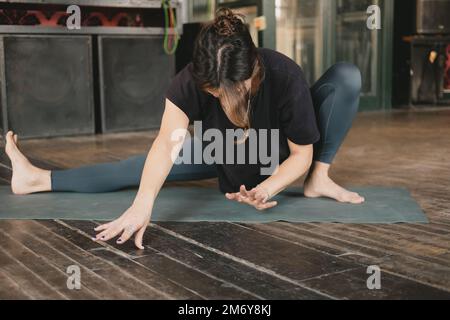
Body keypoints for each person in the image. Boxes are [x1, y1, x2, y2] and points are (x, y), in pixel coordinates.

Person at [4, 8, 364, 249]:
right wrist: (143, 205)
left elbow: (302, 152)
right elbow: (165, 144)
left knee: (346, 76)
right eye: (212, 92)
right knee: (136, 168)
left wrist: (267, 188)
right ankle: (36, 179)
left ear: (252, 70)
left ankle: (320, 179)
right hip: (222, 153)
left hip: (279, 156)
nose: (221, 100)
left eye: (228, 91)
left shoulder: (284, 75)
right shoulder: (190, 80)